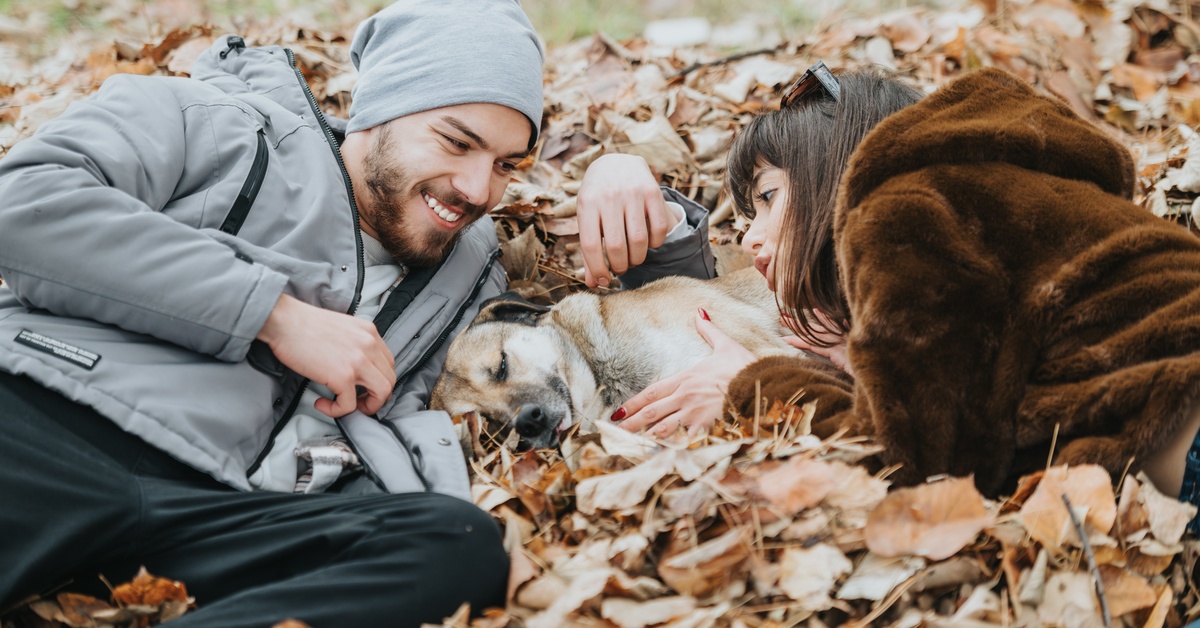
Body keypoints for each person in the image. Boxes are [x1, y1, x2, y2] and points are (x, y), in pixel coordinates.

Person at [0, 0, 716, 624]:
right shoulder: (216, 123)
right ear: (379, 111)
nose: (476, 187)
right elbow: (23, 207)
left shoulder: (469, 269)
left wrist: (633, 189)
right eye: (456, 140)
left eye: (506, 164)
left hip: (216, 510)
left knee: (456, 546)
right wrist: (274, 315)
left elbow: (623, 324)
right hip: (43, 422)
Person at [603, 61, 1200, 526]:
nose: (752, 239)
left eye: (766, 197)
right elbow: (967, 425)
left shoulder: (898, 212)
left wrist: (758, 381)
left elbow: (915, 473)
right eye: (739, 221)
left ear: (833, 168)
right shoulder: (978, 195)